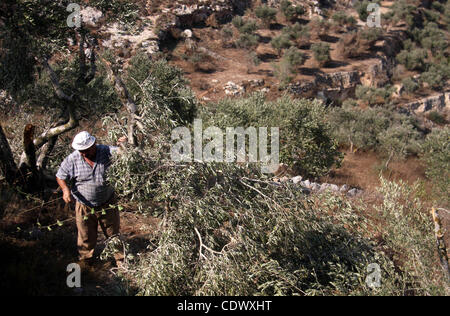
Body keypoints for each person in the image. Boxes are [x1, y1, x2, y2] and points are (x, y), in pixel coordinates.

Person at [56, 131, 127, 266]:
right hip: (84, 205)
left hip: (107, 202)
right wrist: (65, 190)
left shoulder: (105, 151)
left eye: (86, 150)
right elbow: (60, 176)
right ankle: (86, 262)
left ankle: (121, 261)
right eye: (81, 151)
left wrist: (124, 145)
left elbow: (123, 154)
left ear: (94, 145)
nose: (83, 153)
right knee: (85, 236)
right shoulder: (73, 159)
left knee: (113, 233)